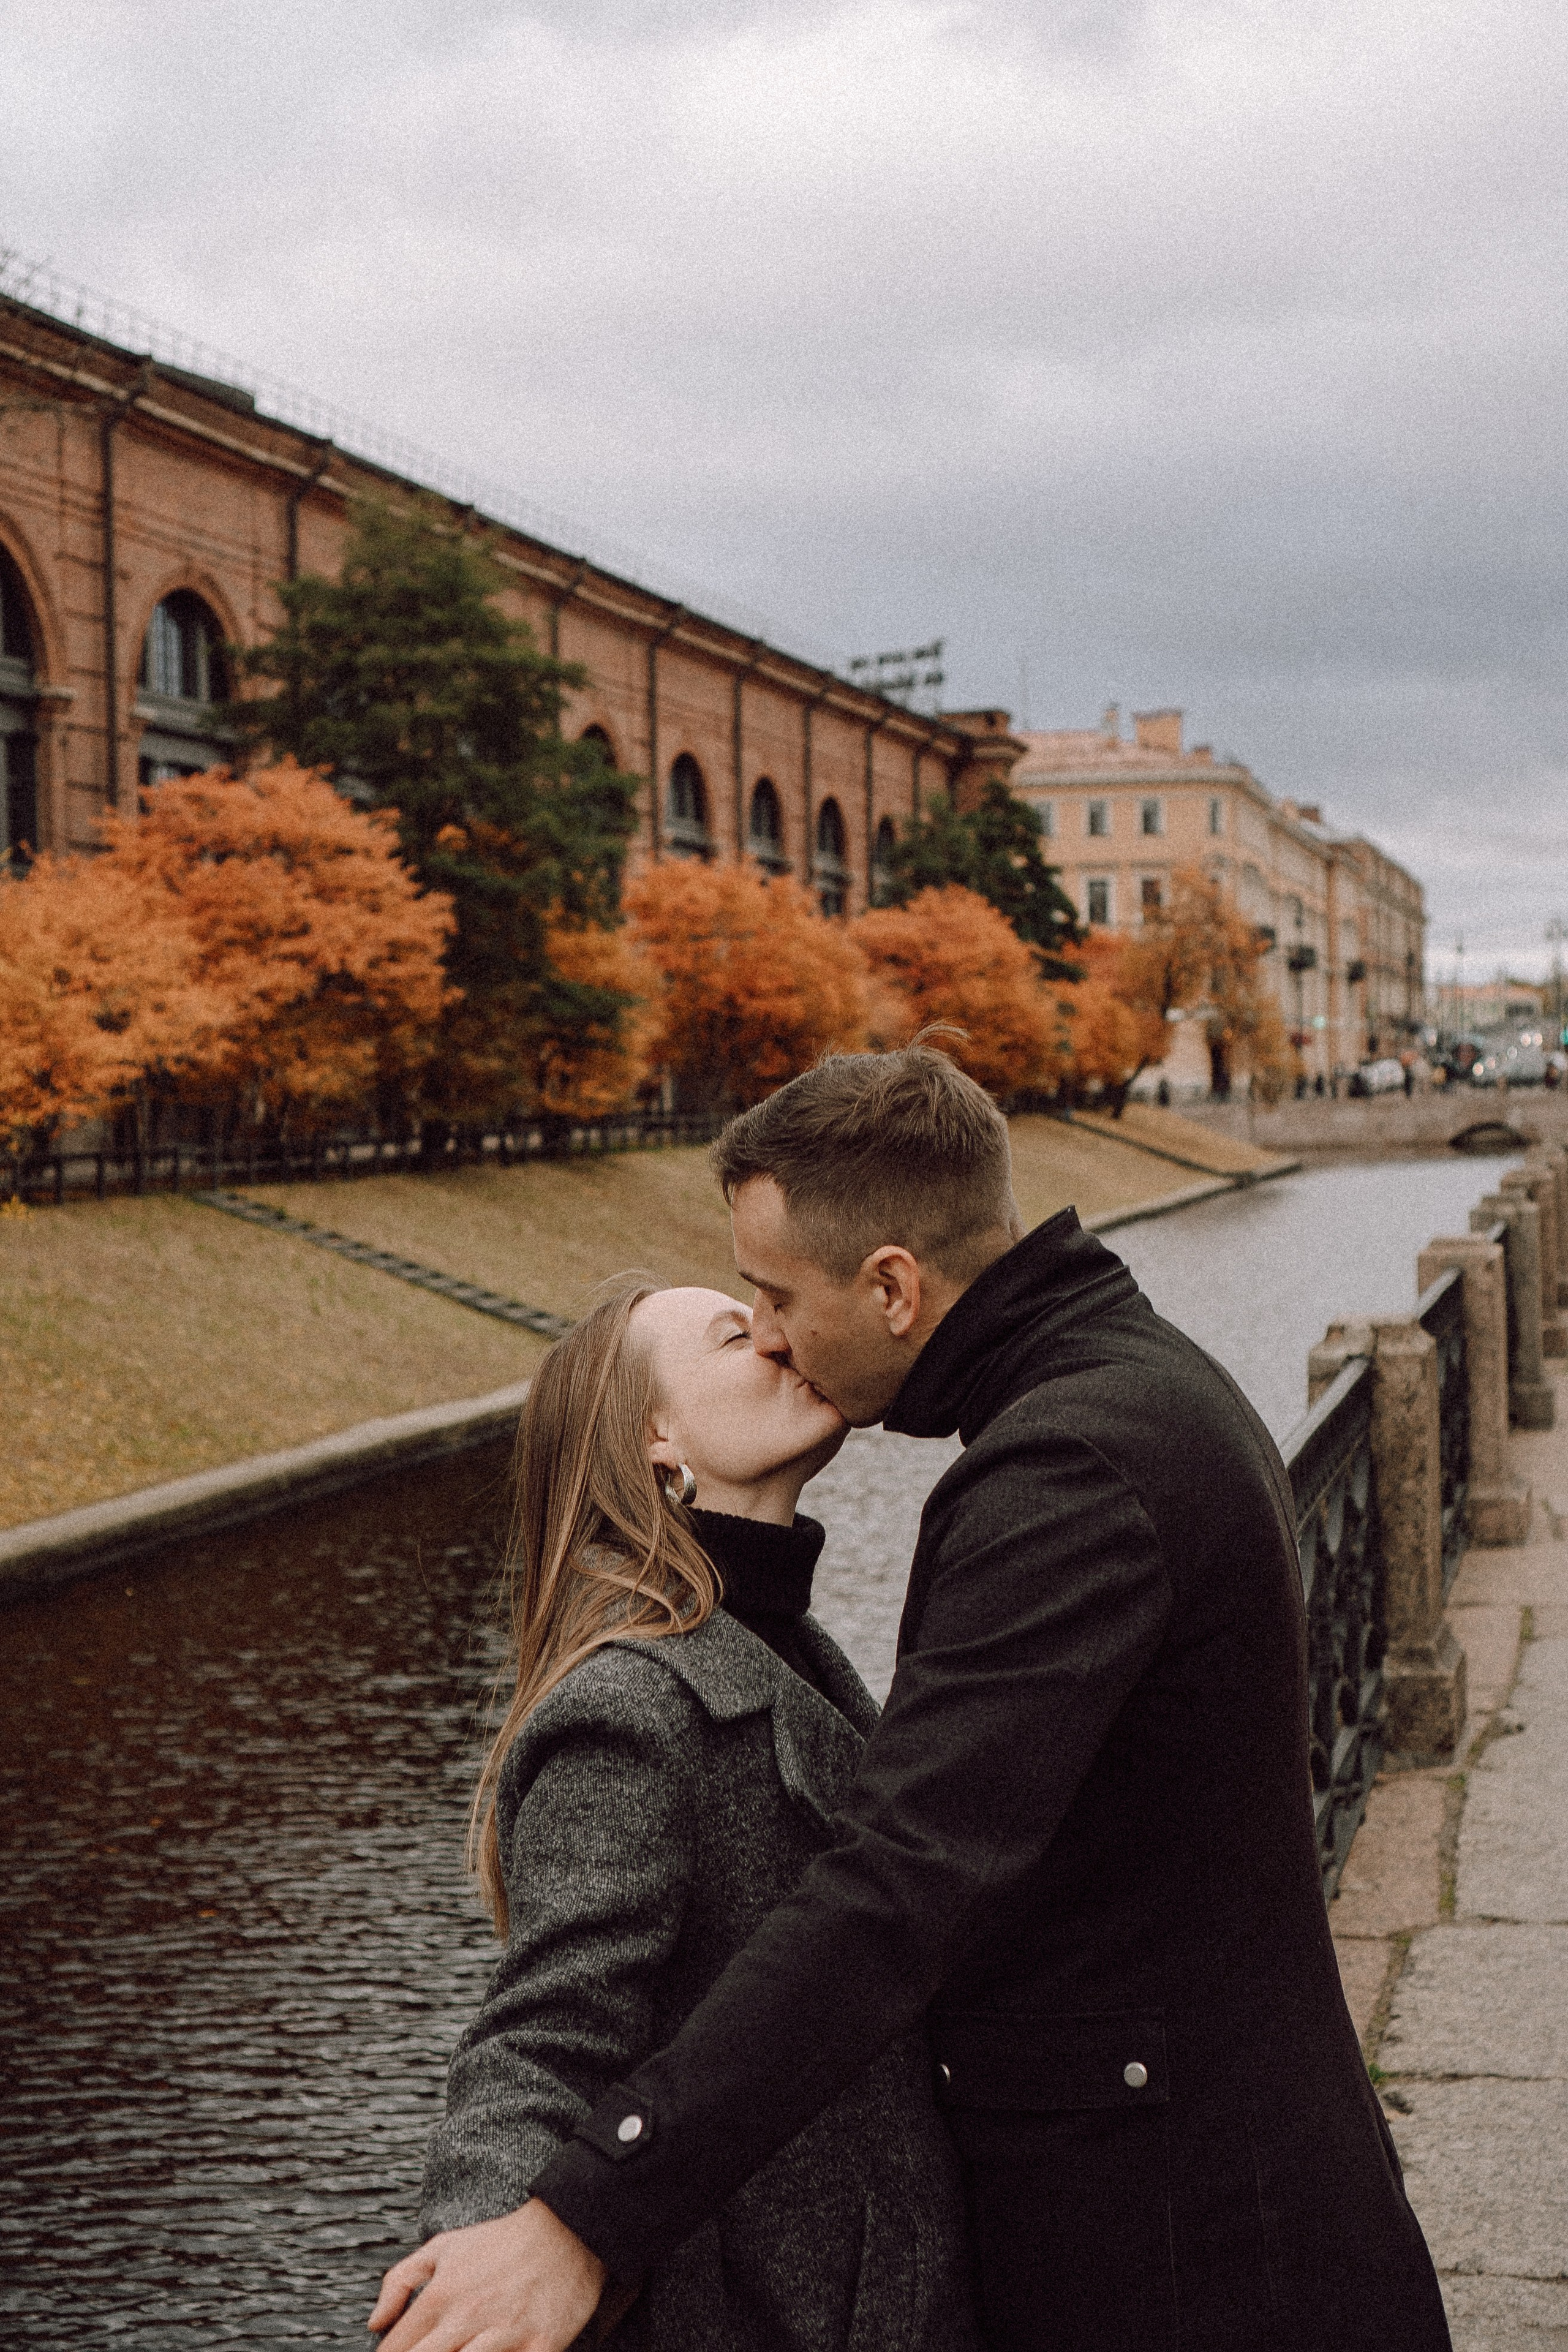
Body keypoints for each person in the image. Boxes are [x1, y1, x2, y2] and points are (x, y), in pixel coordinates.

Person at [374, 1044, 1452, 2352]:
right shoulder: (1116, 1391)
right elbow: (548, 2026)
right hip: (1194, 2209)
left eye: (773, 1297)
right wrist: (518, 2223)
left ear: (891, 1287)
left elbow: (899, 1886)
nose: (774, 1331)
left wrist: (588, 2214)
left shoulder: (1066, 1466)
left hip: (1190, 2250)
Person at [371, 1276, 979, 2352]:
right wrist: (482, 2261)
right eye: (739, 1336)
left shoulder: (788, 1647)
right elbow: (545, 2034)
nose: (782, 1338)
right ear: (657, 1439)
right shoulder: (630, 1703)